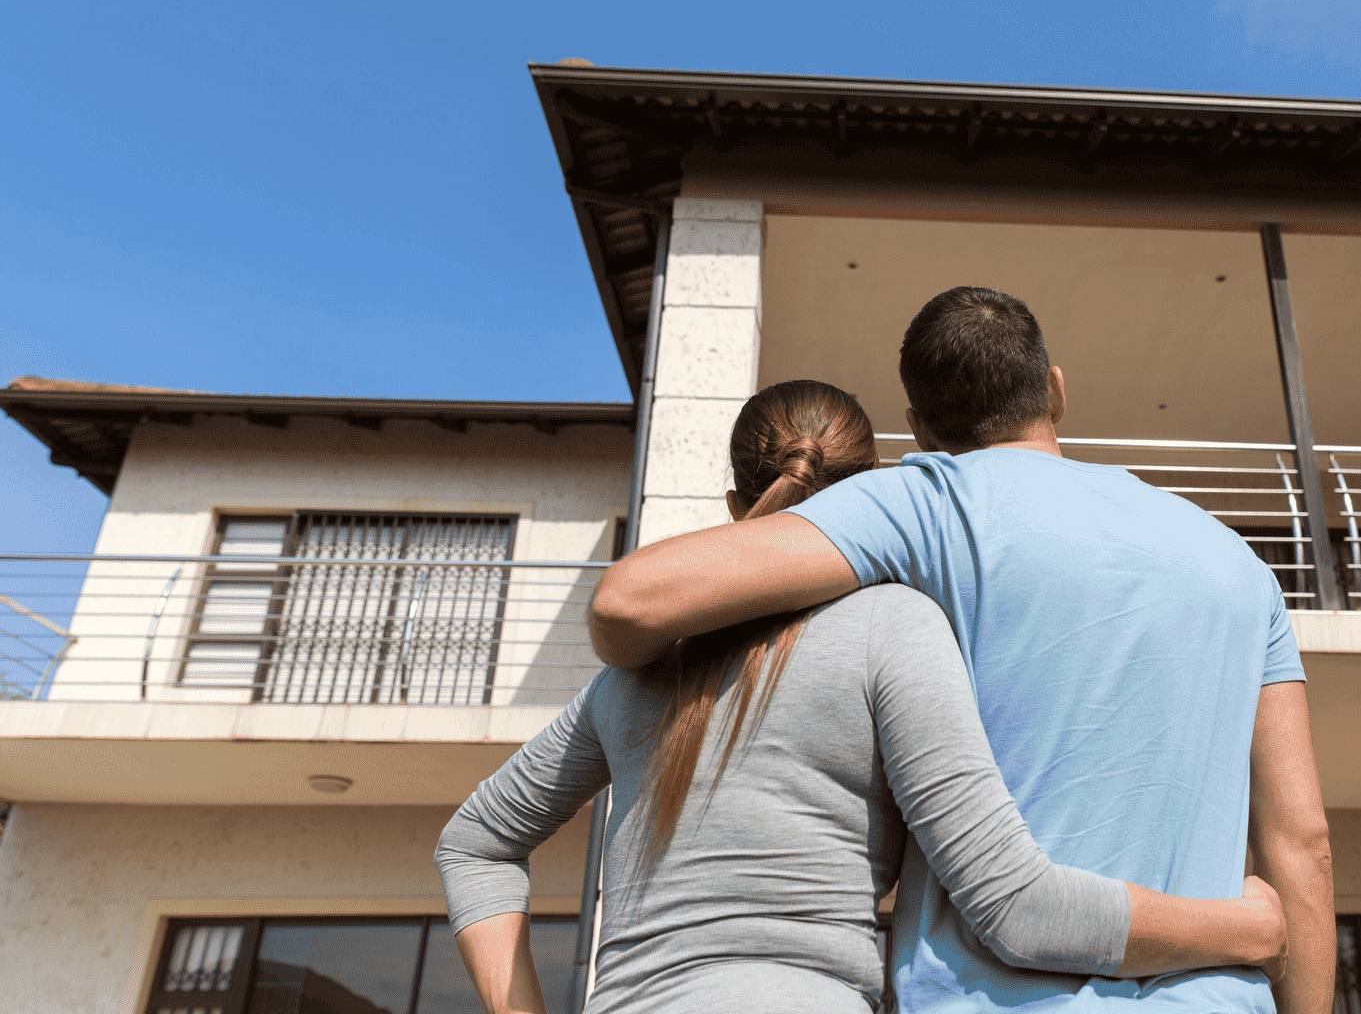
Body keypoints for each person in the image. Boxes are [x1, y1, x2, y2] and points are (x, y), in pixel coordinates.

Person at [590, 288, 1335, 1013]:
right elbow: (1301, 845)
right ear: (1055, 389)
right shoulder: (1238, 563)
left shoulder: (925, 502)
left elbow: (628, 602)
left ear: (917, 428)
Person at [437, 379, 1287, 1014]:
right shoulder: (893, 629)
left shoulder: (630, 680)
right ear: (866, 502)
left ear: (736, 503)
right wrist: (1245, 926)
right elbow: (1018, 910)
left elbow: (473, 843)